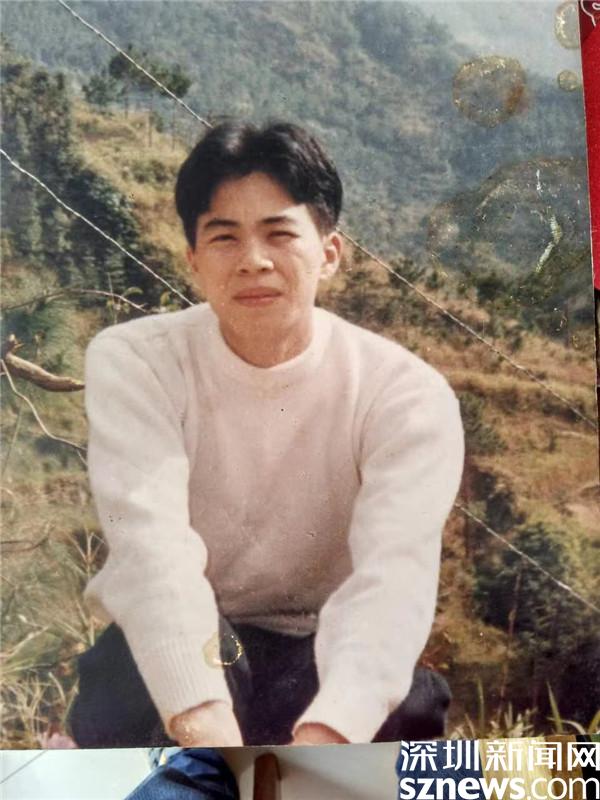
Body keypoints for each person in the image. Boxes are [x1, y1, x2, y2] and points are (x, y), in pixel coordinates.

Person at [68, 121, 464, 748]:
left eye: (279, 233)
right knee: (130, 680)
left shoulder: (404, 392)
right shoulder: (137, 361)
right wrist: (212, 741)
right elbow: (151, 556)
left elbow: (392, 585)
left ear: (329, 253)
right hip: (194, 649)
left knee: (408, 705)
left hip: (316, 654)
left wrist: (325, 745)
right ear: (194, 260)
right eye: (224, 237)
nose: (253, 260)